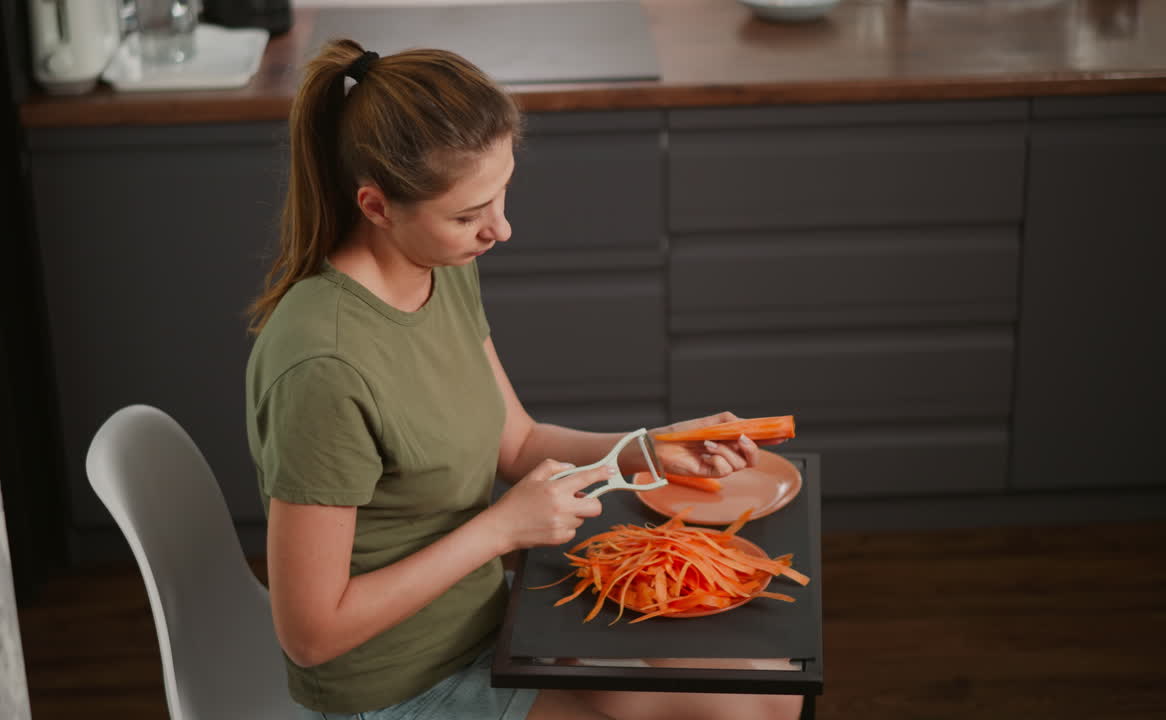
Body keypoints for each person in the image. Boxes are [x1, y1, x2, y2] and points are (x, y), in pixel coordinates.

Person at [244, 39, 803, 720]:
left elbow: (518, 442)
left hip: (491, 625)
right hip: (397, 688)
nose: (500, 229)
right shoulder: (324, 370)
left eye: (501, 194)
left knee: (768, 688)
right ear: (377, 205)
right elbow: (310, 634)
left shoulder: (438, 268)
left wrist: (649, 448)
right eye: (468, 214)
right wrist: (499, 532)